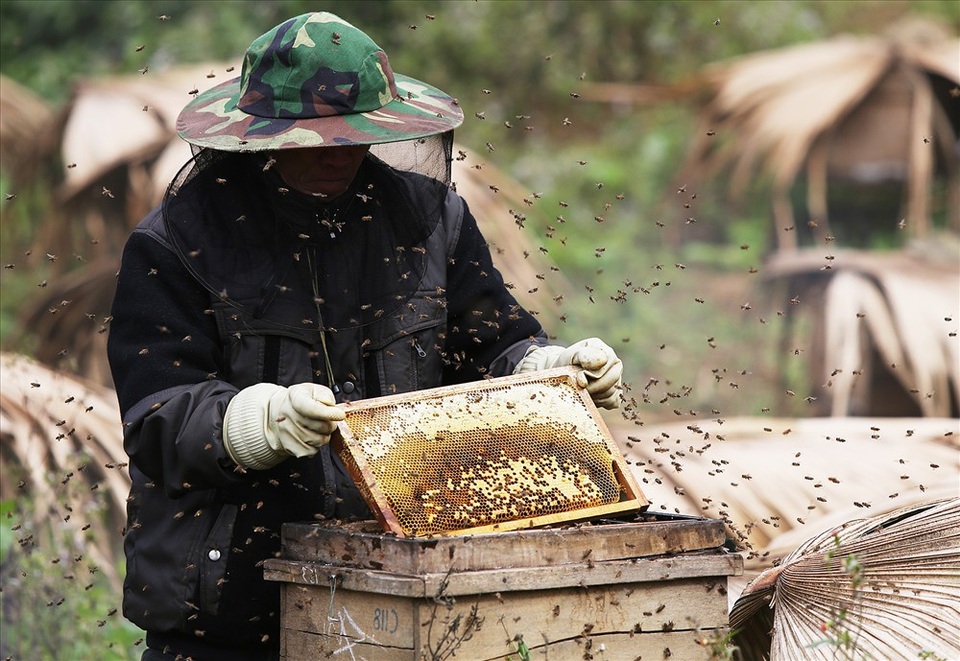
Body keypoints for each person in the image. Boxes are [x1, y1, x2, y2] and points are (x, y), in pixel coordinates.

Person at [107, 11, 623, 661]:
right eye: (312, 140)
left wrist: (544, 367)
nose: (336, 154)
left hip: (400, 579)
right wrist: (248, 422)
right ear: (260, 138)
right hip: (230, 606)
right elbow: (157, 411)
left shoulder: (428, 221)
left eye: (350, 136)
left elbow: (489, 340)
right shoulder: (176, 243)